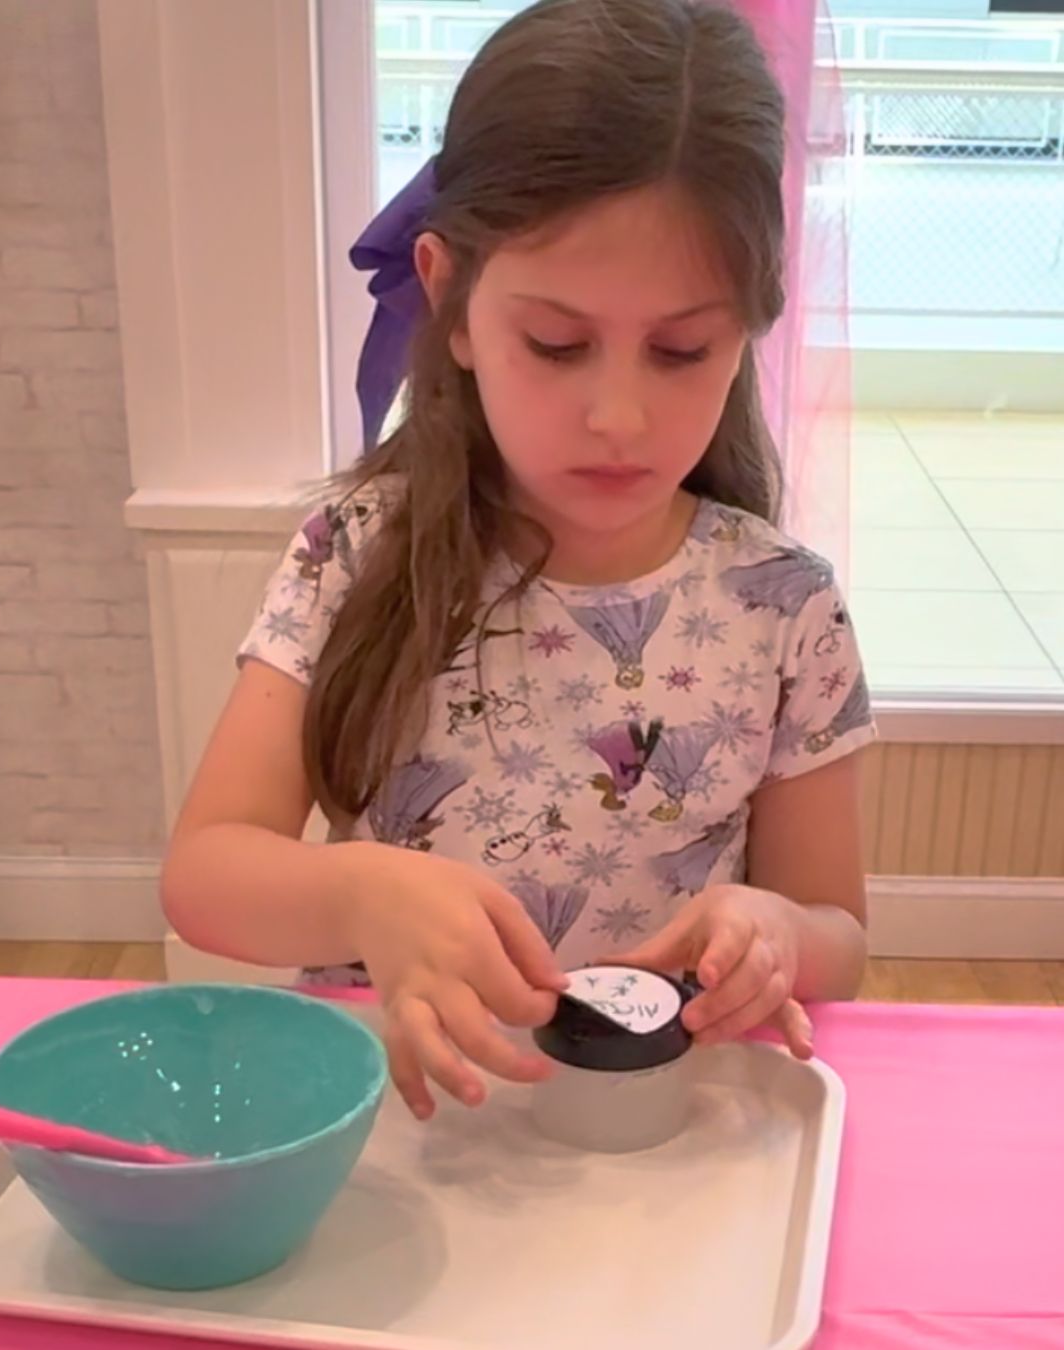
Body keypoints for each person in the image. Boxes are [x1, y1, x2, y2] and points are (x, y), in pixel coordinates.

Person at [162, 0, 875, 1123]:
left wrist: (777, 933)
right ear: (450, 297)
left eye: (683, 349)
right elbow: (205, 873)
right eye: (556, 343)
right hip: (403, 1125)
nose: (619, 416)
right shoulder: (355, 554)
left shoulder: (784, 605)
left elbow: (839, 933)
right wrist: (358, 893)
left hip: (659, 1131)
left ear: (747, 329)